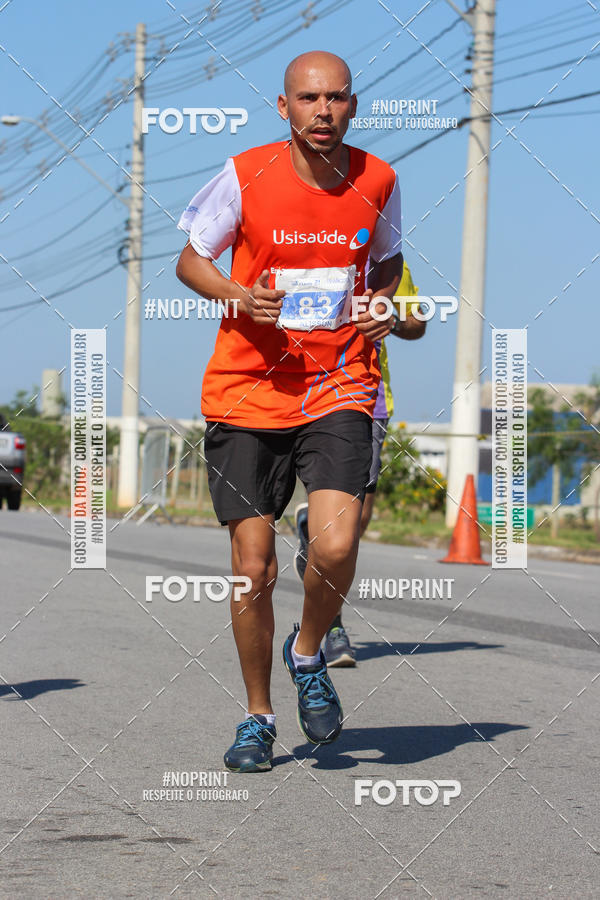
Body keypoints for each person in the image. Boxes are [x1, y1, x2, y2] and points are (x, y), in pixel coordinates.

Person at [176, 50, 417, 773]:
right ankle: (258, 717)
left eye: (337, 98)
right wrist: (236, 296)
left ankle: (307, 653)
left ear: (352, 105)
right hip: (247, 390)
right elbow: (190, 259)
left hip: (339, 385)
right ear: (284, 108)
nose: (323, 111)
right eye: (308, 99)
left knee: (336, 544)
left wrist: (388, 309)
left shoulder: (379, 179)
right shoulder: (244, 174)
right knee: (254, 570)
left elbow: (388, 271)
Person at [293, 264, 424, 666]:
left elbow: (416, 323)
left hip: (365, 398)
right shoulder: (302, 250)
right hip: (297, 391)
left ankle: (310, 535)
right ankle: (331, 629)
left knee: (354, 525)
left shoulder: (388, 263)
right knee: (336, 534)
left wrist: (391, 320)